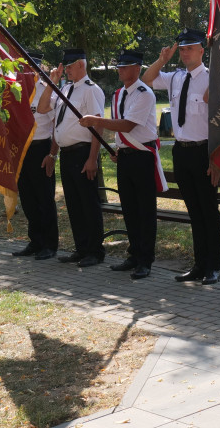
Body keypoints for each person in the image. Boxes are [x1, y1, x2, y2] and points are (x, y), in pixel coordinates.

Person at [142, 28, 220, 284]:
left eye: (190, 48)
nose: (185, 52)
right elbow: (147, 79)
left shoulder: (213, 78)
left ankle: (213, 266)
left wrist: (215, 158)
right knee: (194, 212)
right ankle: (199, 264)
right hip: (181, 151)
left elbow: (219, 123)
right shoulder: (175, 77)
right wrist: (162, 59)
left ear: (202, 50)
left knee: (208, 210)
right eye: (182, 49)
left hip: (204, 150)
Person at [80, 49, 161, 280]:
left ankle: (146, 259)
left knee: (145, 211)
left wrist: (96, 120)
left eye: (125, 66)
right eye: (119, 66)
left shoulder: (144, 93)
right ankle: (134, 254)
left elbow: (127, 125)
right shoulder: (118, 95)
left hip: (142, 157)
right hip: (125, 156)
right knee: (129, 209)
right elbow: (120, 129)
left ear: (137, 69)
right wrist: (119, 148)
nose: (120, 70)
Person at [41, 48, 107, 268]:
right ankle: (81, 248)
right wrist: (53, 81)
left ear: (81, 65)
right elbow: (43, 108)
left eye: (69, 66)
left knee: (89, 203)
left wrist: (92, 159)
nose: (66, 70)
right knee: (74, 205)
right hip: (67, 154)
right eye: (65, 66)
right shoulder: (65, 89)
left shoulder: (91, 90)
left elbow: (98, 125)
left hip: (83, 153)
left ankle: (95, 251)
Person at [12, 52, 59, 261]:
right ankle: (35, 241)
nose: (24, 73)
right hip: (23, 150)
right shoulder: (16, 91)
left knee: (44, 199)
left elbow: (57, 125)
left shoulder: (46, 90)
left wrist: (52, 155)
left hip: (42, 148)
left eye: (29, 69)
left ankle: (49, 244)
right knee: (28, 199)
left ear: (38, 70)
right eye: (22, 68)